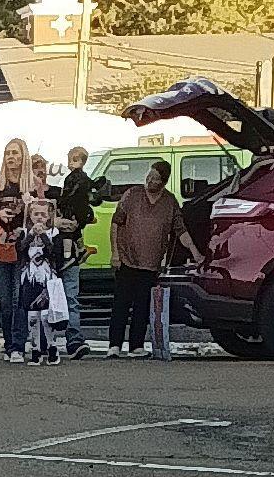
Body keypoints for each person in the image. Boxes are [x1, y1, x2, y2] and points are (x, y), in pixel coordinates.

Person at [108, 159, 202, 358]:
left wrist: (195, 252)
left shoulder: (169, 202)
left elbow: (180, 230)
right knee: (121, 303)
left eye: (155, 178)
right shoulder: (132, 194)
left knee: (142, 305)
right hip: (126, 258)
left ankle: (136, 346)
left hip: (151, 263)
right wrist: (115, 253)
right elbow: (115, 223)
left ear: (163, 182)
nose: (150, 181)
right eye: (149, 176)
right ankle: (114, 345)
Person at [0, 139, 30, 363]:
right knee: (5, 301)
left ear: (23, 156)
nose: (11, 157)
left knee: (20, 299)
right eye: (8, 153)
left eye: (15, 153)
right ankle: (9, 344)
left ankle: (18, 345)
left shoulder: (33, 184)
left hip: (24, 249)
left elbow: (44, 212)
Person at [57, 146, 97, 358]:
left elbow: (83, 202)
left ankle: (74, 340)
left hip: (69, 244)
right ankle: (44, 340)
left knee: (71, 297)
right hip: (52, 249)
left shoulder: (74, 181)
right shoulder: (73, 182)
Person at [19, 199, 68, 365]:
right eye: (36, 214)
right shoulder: (25, 233)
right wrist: (31, 235)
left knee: (47, 315)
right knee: (32, 316)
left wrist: (44, 237)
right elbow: (19, 250)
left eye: (43, 214)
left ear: (49, 216)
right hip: (30, 278)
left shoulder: (55, 233)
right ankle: (35, 349)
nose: (39, 217)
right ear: (30, 215)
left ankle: (52, 347)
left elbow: (55, 254)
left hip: (47, 279)